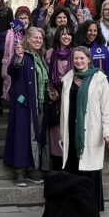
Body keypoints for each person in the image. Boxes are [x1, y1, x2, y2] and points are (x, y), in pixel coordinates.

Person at [59, 46, 109, 211]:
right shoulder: (68, 77)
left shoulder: (99, 78)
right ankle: (74, 205)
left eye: (82, 58)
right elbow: (64, 107)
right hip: (71, 129)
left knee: (90, 170)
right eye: (76, 58)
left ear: (89, 59)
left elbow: (107, 108)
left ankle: (92, 206)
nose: (78, 61)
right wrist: (63, 133)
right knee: (73, 167)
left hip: (91, 130)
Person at [5, 26, 49, 186]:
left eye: (40, 38)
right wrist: (18, 59)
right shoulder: (22, 54)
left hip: (39, 103)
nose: (38, 40)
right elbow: (12, 71)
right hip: (23, 103)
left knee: (35, 136)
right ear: (27, 39)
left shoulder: (41, 57)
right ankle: (19, 171)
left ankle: (31, 167)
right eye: (35, 37)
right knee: (22, 136)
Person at [45, 24, 75, 169]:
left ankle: (70, 165)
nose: (66, 36)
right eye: (63, 34)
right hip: (56, 98)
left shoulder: (76, 53)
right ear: (58, 36)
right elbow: (46, 75)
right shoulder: (50, 53)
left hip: (71, 97)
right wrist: (51, 89)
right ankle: (56, 166)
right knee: (57, 134)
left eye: (69, 34)